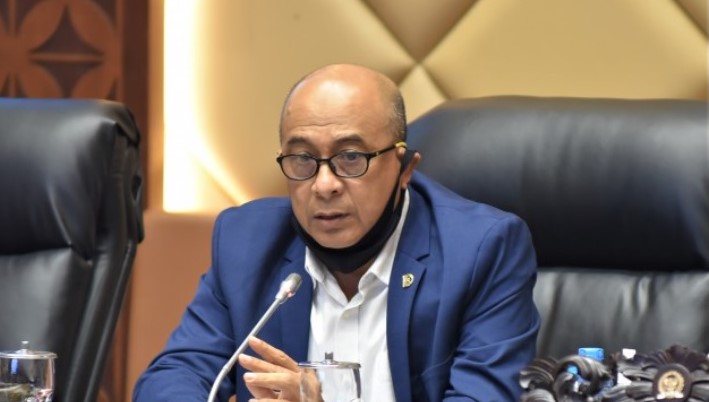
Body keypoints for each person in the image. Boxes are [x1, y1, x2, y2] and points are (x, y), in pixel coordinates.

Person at [133, 63, 540, 402]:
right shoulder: (246, 242)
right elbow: (172, 377)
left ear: (404, 170)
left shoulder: (483, 250)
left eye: (350, 157)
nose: (324, 185)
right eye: (302, 158)